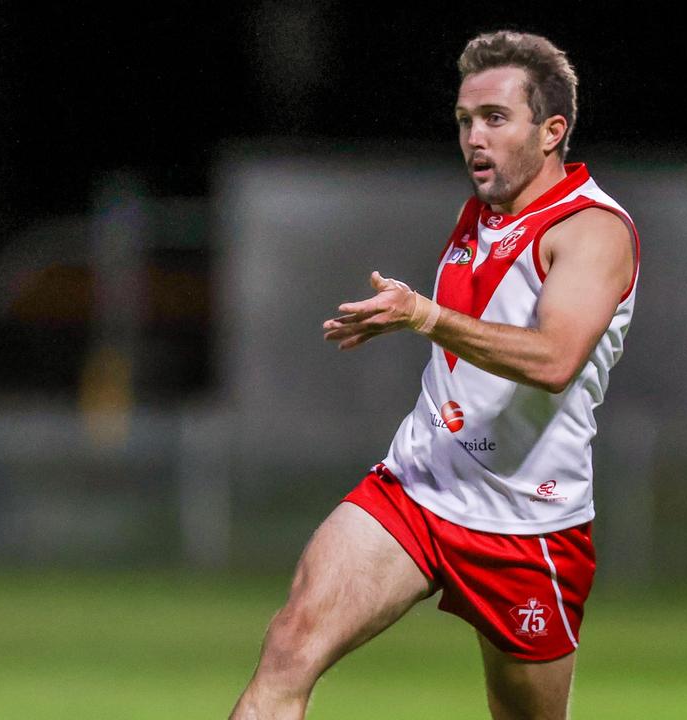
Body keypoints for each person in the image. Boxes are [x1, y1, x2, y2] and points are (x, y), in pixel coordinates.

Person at [229, 29, 638, 720]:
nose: (473, 138)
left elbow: (554, 359)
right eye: (464, 121)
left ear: (552, 131)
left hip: (527, 524)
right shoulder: (476, 215)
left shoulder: (593, 231)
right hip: (419, 485)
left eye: (495, 118)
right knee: (291, 643)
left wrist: (424, 315)